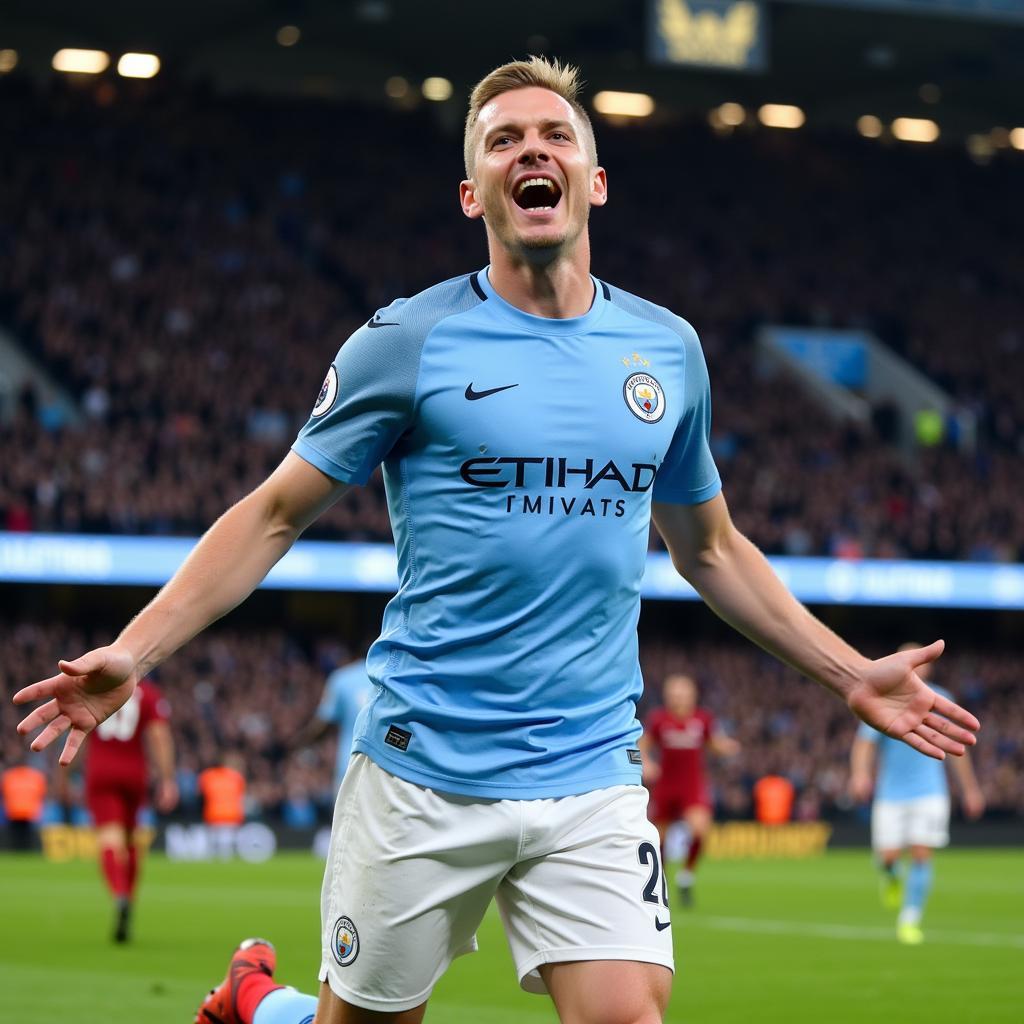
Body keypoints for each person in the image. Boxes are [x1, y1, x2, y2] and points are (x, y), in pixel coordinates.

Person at [14, 56, 980, 1024]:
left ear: (593, 181)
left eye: (556, 135)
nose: (533, 150)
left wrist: (848, 671)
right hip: (423, 763)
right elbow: (272, 514)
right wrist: (134, 650)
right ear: (471, 192)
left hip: (590, 767)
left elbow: (712, 549)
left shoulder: (666, 351)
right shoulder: (406, 341)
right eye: (504, 140)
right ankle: (260, 1003)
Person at [848, 643, 985, 945]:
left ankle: (910, 919)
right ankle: (891, 875)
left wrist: (971, 790)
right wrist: (860, 774)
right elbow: (865, 744)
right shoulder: (885, 699)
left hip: (929, 793)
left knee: (922, 854)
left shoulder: (942, 699)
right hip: (890, 794)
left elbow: (956, 751)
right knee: (888, 857)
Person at [54, 676, 177, 942]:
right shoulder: (148, 693)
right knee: (131, 840)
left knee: (110, 839)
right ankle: (129, 897)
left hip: (101, 771)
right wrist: (167, 779)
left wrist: (63, 777)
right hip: (135, 772)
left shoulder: (96, 690)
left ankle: (120, 894)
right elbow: (159, 735)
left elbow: (79, 735)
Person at [640, 673, 739, 905]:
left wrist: (726, 748)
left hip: (692, 787)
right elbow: (642, 745)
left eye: (682, 693)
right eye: (673, 693)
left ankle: (686, 875)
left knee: (700, 829)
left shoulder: (702, 720)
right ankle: (660, 880)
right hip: (665, 786)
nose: (678, 698)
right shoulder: (658, 719)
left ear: (692, 695)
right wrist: (647, 763)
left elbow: (713, 744)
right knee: (659, 838)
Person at [290, 654, 374, 789]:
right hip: (383, 769)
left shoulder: (342, 678)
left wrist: (299, 742)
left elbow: (323, 725)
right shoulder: (390, 678)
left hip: (350, 766)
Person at [1, 758, 47, 851]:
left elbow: (4, 794)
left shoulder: (9, 776)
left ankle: (14, 850)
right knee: (28, 838)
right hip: (29, 812)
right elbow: (41, 794)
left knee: (14, 837)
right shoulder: (36, 776)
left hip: (14, 812)